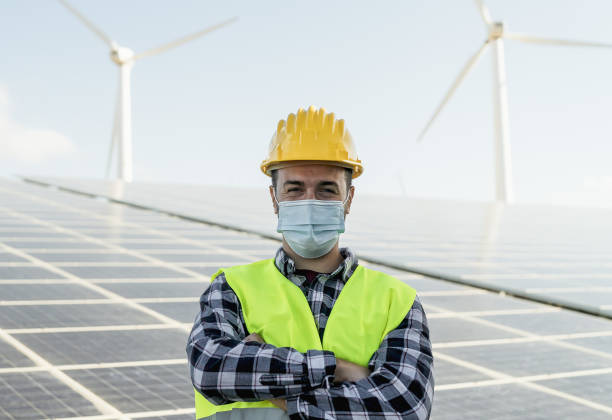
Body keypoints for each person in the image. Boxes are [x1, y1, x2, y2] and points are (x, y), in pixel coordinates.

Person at [186, 106, 434, 419]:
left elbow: (404, 407)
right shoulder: (232, 287)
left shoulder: (396, 301)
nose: (309, 200)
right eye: (295, 189)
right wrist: (339, 368)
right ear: (274, 198)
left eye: (326, 189)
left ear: (349, 199)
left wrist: (275, 386)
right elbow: (211, 369)